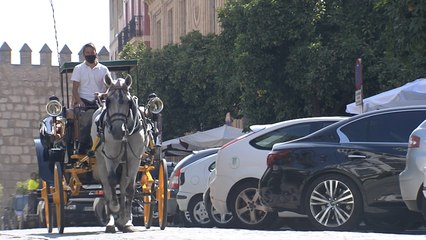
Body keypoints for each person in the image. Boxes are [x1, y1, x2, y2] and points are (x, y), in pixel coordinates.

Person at [71, 43, 110, 154]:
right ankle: (83, 146)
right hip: (85, 103)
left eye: (92, 52)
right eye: (87, 53)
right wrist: (79, 102)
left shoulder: (104, 69)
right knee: (88, 118)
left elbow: (109, 87)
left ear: (95, 53)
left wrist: (103, 94)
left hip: (101, 102)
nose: (90, 55)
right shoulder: (78, 69)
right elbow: (74, 89)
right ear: (84, 54)